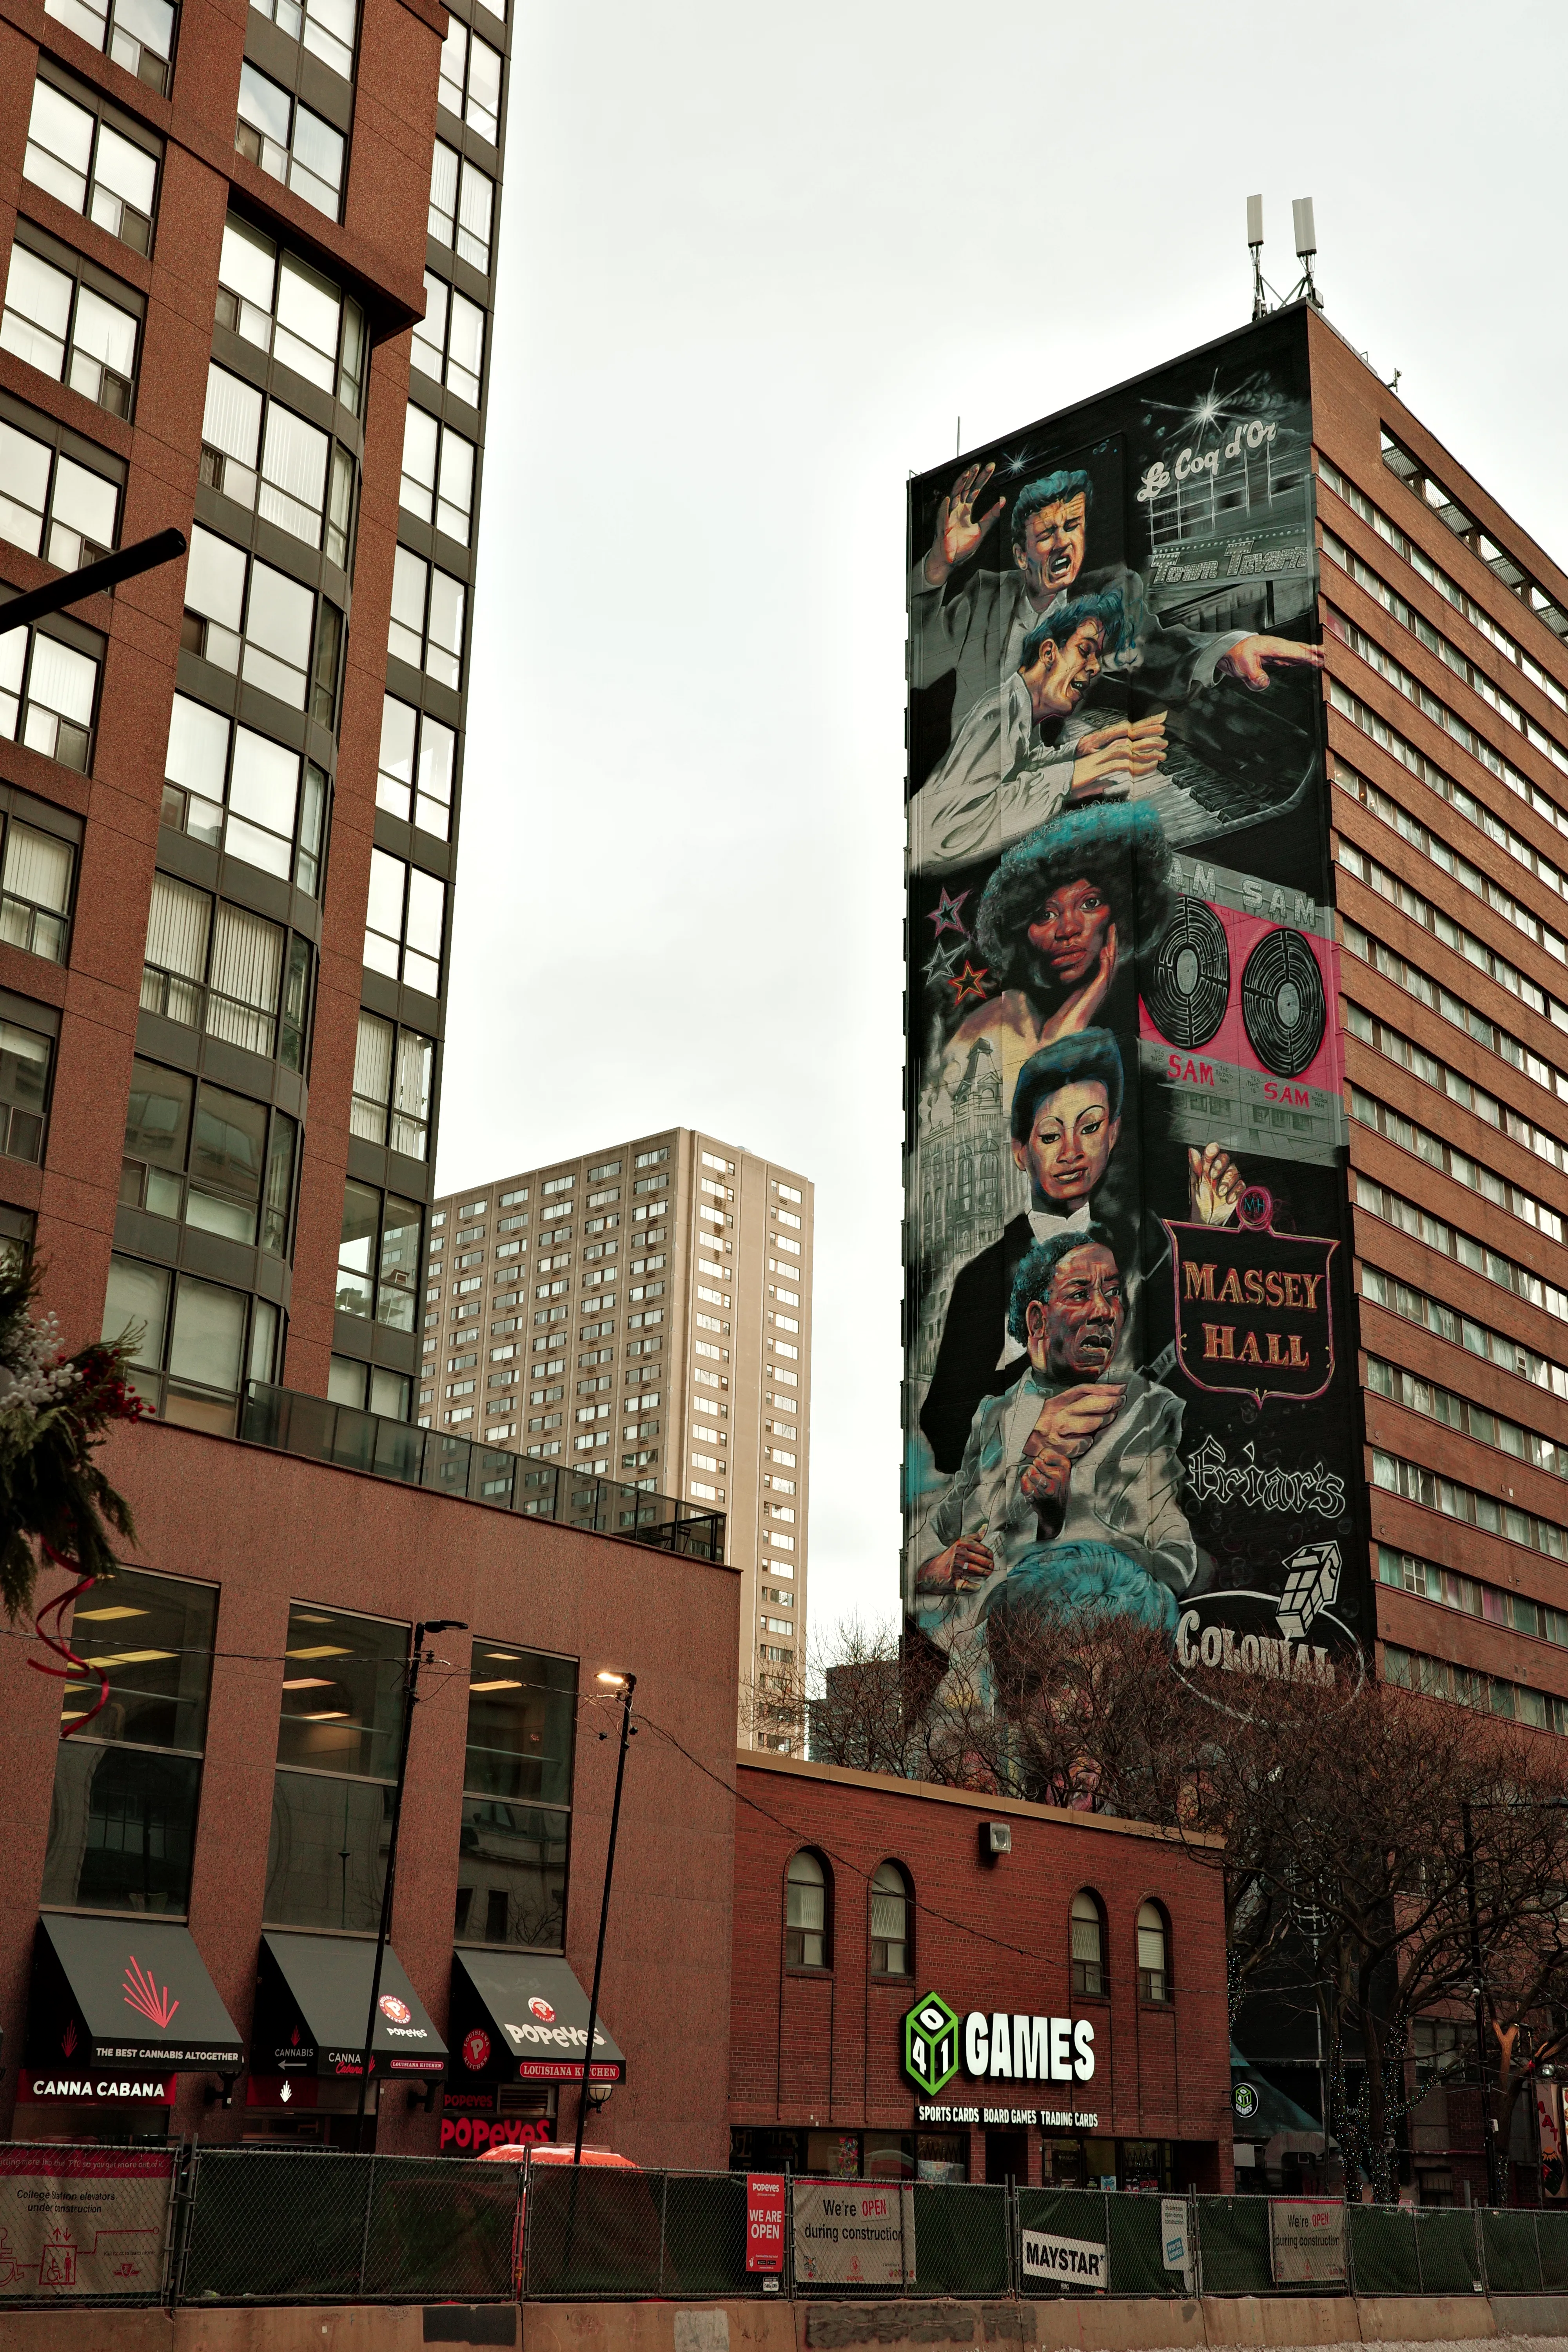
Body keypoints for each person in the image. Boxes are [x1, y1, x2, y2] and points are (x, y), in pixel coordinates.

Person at [909, 463, 1325, 748]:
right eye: (1047, 534)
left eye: (1073, 527)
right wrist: (938, 565)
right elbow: (919, 666)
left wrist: (1230, 648)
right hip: (971, 794)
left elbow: (1159, 651)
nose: (1063, 543)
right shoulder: (985, 596)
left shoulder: (1109, 596)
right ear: (1021, 555)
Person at [915, 1227, 1196, 1641]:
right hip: (978, 1662)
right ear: (1037, 1321)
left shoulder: (1148, 1410)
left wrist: (1065, 1517)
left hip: (1086, 1652)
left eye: (1113, 1293)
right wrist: (932, 1569)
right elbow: (938, 1527)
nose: (1104, 1311)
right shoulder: (994, 1416)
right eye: (1080, 1294)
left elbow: (1177, 1562)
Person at [912, 592, 1170, 876]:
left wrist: (1079, 750)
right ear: (1049, 653)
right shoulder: (998, 715)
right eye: (1085, 650)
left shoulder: (1019, 709)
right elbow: (944, 833)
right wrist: (1074, 774)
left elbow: (1017, 766)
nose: (1096, 667)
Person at [936, 801, 1170, 1110]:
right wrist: (1076, 1018)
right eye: (1045, 915)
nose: (1068, 929)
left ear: (1120, 911)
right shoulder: (1000, 1022)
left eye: (1090, 903)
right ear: (1023, 930)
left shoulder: (1149, 1018)